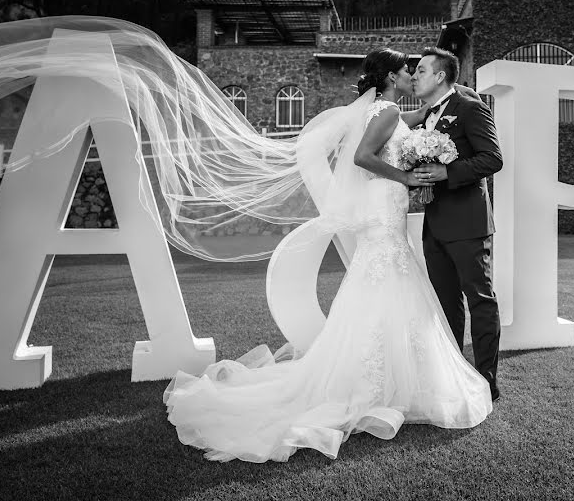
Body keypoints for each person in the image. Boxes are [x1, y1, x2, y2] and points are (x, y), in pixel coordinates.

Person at [162, 48, 493, 462]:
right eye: (408, 70)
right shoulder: (386, 111)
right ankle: (386, 381)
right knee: (389, 278)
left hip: (385, 205)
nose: (412, 75)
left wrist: (450, 101)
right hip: (385, 203)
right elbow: (363, 158)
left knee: (385, 282)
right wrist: (406, 175)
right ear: (392, 76)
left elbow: (419, 121)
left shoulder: (385, 110)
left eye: (420, 70)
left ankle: (388, 377)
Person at [410, 48, 503, 402]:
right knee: (446, 306)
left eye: (420, 70)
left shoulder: (470, 107)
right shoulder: (426, 117)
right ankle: (456, 378)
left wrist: (446, 172)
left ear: (439, 76)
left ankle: (486, 383)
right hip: (434, 225)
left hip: (468, 223)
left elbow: (492, 158)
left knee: (480, 302)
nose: (414, 76)